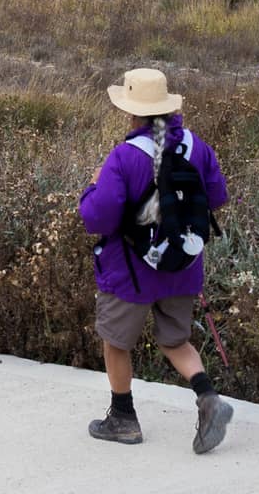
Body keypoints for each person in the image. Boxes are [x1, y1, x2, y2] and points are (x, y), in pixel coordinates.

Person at [77, 67, 233, 454]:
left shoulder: (125, 157)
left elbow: (98, 217)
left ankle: (123, 420)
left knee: (115, 342)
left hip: (130, 271)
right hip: (182, 266)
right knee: (176, 341)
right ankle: (208, 398)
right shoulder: (197, 147)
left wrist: (93, 186)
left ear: (132, 112)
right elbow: (216, 197)